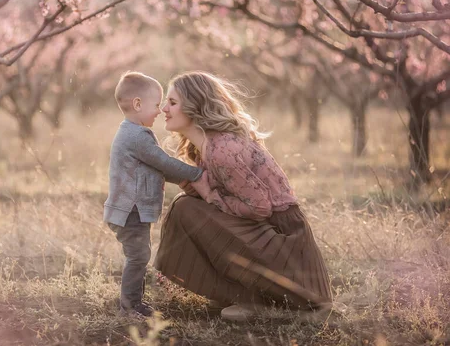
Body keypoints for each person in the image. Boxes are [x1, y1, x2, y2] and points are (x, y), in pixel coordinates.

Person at [154, 71, 332, 322]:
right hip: (268, 235)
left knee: (186, 208)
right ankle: (238, 293)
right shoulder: (204, 145)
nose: (164, 109)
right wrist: (188, 181)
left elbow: (259, 208)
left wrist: (208, 195)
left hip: (285, 242)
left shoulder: (222, 149)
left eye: (172, 102)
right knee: (186, 205)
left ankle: (261, 301)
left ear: (195, 106)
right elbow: (223, 192)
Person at [104, 71, 203, 318]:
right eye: (156, 105)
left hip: (130, 210)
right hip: (130, 211)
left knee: (140, 256)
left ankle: (135, 303)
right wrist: (197, 174)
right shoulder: (137, 136)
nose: (160, 111)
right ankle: (128, 307)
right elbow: (163, 162)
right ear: (138, 104)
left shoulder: (132, 133)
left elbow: (155, 168)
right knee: (138, 257)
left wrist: (182, 180)